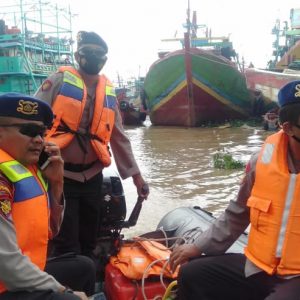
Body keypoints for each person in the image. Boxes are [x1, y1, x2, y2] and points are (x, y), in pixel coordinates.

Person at [169, 80, 300, 300]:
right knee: (192, 273)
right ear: (287, 127)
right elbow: (239, 211)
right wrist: (198, 246)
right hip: (259, 267)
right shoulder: (261, 162)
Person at [34, 31, 149, 258]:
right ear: (78, 55)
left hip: (93, 175)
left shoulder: (107, 92)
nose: (95, 58)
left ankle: (89, 278)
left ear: (105, 59)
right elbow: (33, 118)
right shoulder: (58, 81)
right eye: (89, 53)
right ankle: (71, 285)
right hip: (60, 175)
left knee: (90, 236)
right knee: (65, 239)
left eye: (100, 54)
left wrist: (137, 176)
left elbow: (119, 136)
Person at [0, 93, 96, 300]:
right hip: (7, 280)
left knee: (85, 267)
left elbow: (50, 232)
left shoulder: (27, 169)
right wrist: (64, 291)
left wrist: (56, 183)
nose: (38, 140)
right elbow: (7, 266)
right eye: (28, 131)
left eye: (42, 133)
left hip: (21, 273)